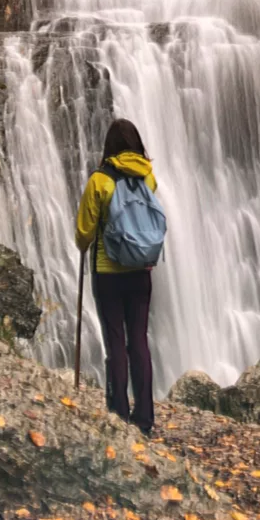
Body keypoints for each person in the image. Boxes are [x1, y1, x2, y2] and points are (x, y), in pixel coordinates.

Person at [75, 118, 157, 435]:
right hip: (141, 271)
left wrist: (84, 242)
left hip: (108, 272)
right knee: (139, 339)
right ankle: (146, 415)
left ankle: (119, 411)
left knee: (115, 340)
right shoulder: (148, 178)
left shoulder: (100, 181)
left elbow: (84, 232)